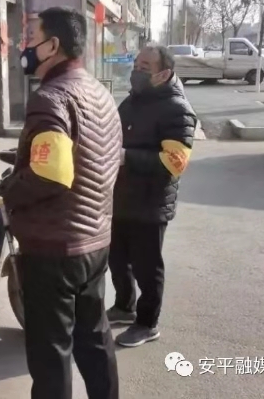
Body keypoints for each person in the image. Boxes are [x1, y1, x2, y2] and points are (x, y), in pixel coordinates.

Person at [1, 7, 121, 399]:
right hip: (96, 240)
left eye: (31, 39)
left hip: (54, 249)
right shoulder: (99, 92)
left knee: (51, 352)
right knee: (94, 337)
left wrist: (8, 190)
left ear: (52, 45)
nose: (25, 47)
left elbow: (52, 174)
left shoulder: (50, 97)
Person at [107, 45, 197, 347]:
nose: (136, 71)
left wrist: (126, 157)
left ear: (163, 73)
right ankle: (124, 307)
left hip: (150, 202)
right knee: (118, 259)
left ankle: (147, 323)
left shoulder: (177, 109)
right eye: (135, 64)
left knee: (147, 267)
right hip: (121, 197)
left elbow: (175, 163)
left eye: (144, 67)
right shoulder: (132, 101)